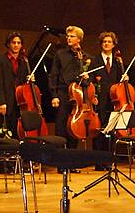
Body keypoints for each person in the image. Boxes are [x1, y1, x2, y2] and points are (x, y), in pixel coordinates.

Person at [49, 25, 94, 173]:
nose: (68, 38)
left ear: (79, 39)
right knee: (61, 128)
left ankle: (72, 163)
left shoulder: (86, 57)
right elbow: (54, 75)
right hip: (63, 93)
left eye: (72, 36)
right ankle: (61, 163)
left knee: (75, 129)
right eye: (67, 36)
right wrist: (54, 95)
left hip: (79, 96)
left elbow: (90, 81)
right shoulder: (60, 54)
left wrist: (87, 78)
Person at [90, 31, 123, 171]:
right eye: (104, 42)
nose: (106, 44)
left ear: (114, 44)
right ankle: (98, 162)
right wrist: (93, 97)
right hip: (99, 100)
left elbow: (120, 81)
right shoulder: (94, 60)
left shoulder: (117, 61)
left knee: (111, 132)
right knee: (99, 131)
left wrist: (124, 78)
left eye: (109, 41)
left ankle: (108, 160)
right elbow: (91, 81)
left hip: (114, 101)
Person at [0, 32, 28, 139]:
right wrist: (1, 102)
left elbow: (23, 82)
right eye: (13, 42)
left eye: (19, 43)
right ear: (8, 44)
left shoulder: (24, 61)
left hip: (19, 102)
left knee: (16, 132)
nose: (16, 45)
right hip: (5, 102)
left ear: (21, 45)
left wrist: (30, 79)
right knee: (3, 133)